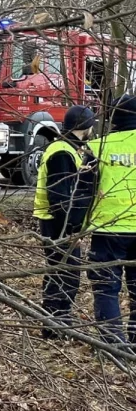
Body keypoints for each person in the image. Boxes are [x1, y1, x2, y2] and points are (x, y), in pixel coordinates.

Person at [32, 105, 97, 340]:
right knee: (64, 274)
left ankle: (57, 323)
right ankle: (56, 327)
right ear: (85, 126)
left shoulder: (69, 149)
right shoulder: (62, 152)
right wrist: (70, 227)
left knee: (61, 273)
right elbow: (60, 197)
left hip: (56, 221)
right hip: (58, 223)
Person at [88, 94, 136, 347]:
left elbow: (84, 190)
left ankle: (113, 345)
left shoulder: (99, 146)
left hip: (108, 228)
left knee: (106, 287)